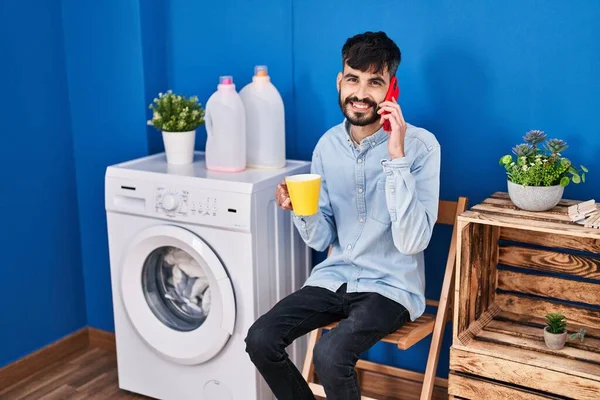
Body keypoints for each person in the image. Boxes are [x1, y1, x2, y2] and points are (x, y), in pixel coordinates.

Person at [244, 31, 440, 400]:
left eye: (374, 82)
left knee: (330, 354)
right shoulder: (327, 146)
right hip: (335, 277)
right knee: (261, 338)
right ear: (340, 80)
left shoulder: (421, 146)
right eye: (353, 79)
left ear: (391, 89)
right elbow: (321, 239)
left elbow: (412, 242)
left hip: (391, 286)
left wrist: (396, 156)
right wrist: (301, 209)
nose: (361, 93)